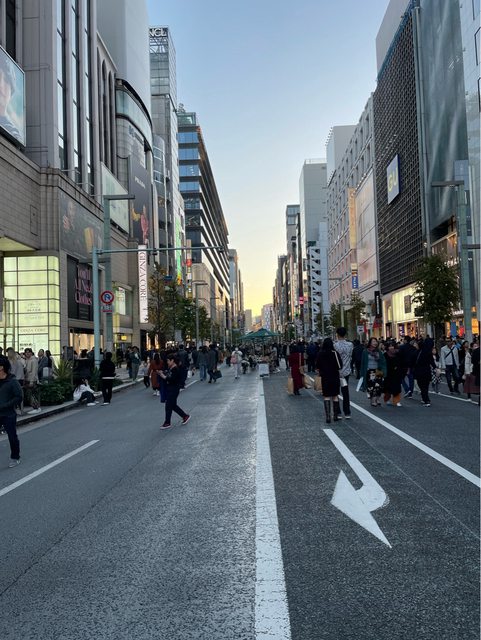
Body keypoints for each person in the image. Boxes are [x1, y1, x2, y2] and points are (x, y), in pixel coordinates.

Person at [0, 356, 23, 467]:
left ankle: (15, 457)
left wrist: (6, 405)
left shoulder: (12, 381)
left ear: (1, 367)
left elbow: (19, 397)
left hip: (8, 414)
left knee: (12, 436)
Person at [158, 355, 190, 429]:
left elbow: (172, 379)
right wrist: (162, 373)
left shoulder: (175, 369)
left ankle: (167, 422)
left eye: (168, 361)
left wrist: (163, 376)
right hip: (171, 389)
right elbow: (169, 375)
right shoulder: (171, 368)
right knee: (172, 405)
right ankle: (184, 416)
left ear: (172, 360)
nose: (167, 362)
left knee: (168, 405)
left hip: (174, 389)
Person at [315, 338, 342, 423]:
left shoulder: (320, 353)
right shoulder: (335, 353)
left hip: (325, 377)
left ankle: (328, 417)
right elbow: (340, 365)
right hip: (334, 376)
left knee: (326, 396)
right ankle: (335, 416)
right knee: (335, 395)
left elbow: (317, 365)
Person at [360, 337, 387, 407]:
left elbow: (383, 361)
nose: (375, 343)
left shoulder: (379, 351)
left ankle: (377, 399)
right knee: (371, 386)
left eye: (376, 341)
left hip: (378, 370)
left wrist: (383, 370)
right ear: (370, 343)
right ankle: (373, 400)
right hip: (370, 371)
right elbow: (362, 363)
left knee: (379, 386)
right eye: (373, 341)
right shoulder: (365, 351)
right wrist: (362, 373)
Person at [334, 327, 353, 418]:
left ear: (337, 334)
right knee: (345, 392)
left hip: (336, 371)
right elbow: (350, 355)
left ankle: (338, 412)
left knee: (336, 392)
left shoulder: (335, 345)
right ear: (345, 334)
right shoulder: (350, 345)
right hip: (346, 370)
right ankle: (347, 412)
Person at [414, 338, 435, 406]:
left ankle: (426, 400)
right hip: (427, 371)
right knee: (425, 386)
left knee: (421, 386)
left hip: (419, 371)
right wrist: (435, 368)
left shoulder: (417, 352)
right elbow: (432, 361)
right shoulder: (428, 352)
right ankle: (424, 399)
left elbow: (413, 362)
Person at [383, 342, 403, 407]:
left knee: (397, 387)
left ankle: (397, 401)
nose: (391, 347)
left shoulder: (398, 354)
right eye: (390, 346)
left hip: (396, 373)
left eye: (392, 346)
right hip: (388, 373)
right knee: (388, 387)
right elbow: (383, 364)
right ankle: (387, 399)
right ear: (387, 347)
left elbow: (401, 362)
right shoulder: (385, 355)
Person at [23, 347, 41, 413]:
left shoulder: (34, 360)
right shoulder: (26, 360)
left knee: (31, 394)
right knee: (29, 394)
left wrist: (31, 381)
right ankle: (35, 407)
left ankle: (36, 407)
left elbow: (34, 371)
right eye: (26, 352)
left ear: (31, 353)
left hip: (32, 380)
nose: (27, 354)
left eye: (28, 352)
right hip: (27, 379)